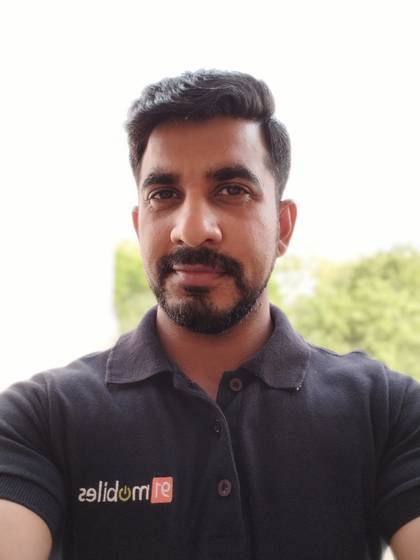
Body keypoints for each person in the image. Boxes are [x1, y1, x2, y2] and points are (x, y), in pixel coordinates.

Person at [0, 70, 419, 560]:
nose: (193, 229)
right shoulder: (38, 419)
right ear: (139, 224)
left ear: (283, 227)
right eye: (163, 195)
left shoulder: (387, 410)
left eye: (232, 190)